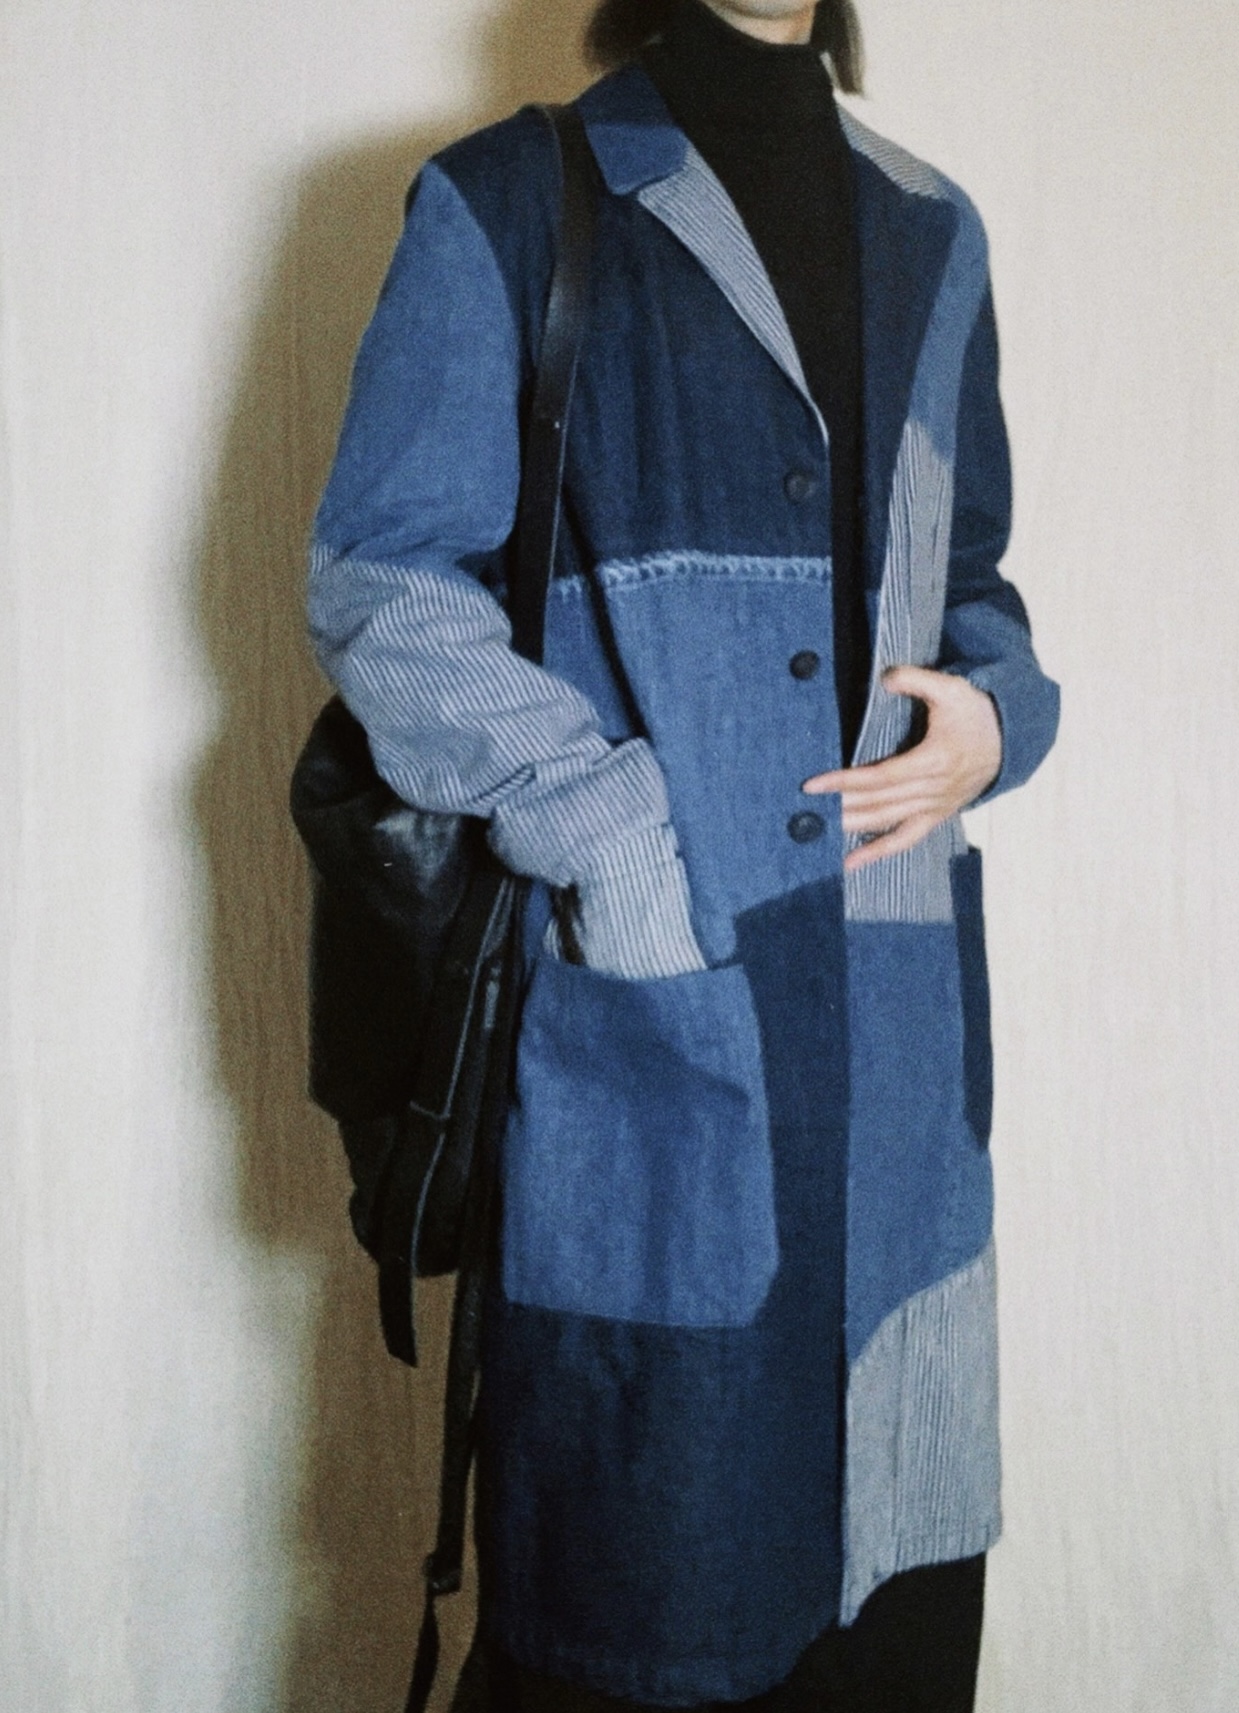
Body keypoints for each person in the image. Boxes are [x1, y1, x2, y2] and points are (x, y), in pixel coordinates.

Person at [307, 0, 1060, 1707]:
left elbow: (974, 581)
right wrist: (614, 835)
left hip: (901, 1063)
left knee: (897, 1617)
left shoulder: (934, 232)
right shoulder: (510, 202)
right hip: (657, 1028)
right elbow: (380, 578)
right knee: (645, 1604)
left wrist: (999, 719)